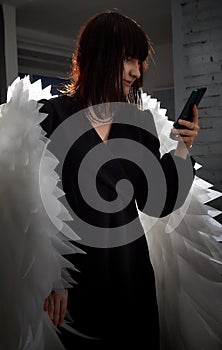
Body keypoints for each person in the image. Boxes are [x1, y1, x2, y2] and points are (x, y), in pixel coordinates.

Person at [40, 10, 199, 349]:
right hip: (73, 278)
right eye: (129, 59)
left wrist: (183, 148)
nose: (136, 71)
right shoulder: (50, 117)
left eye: (140, 62)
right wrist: (52, 275)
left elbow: (155, 202)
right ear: (99, 54)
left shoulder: (137, 122)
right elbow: (34, 207)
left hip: (130, 270)